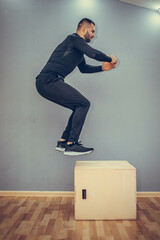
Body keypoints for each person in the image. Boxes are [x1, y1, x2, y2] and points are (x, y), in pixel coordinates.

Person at [35, 18, 117, 156]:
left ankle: (63, 142)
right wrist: (110, 59)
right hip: (48, 80)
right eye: (92, 31)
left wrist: (102, 68)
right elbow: (94, 53)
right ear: (84, 29)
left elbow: (84, 68)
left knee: (78, 106)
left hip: (49, 82)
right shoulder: (73, 39)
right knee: (83, 104)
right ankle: (71, 144)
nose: (93, 35)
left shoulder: (78, 50)